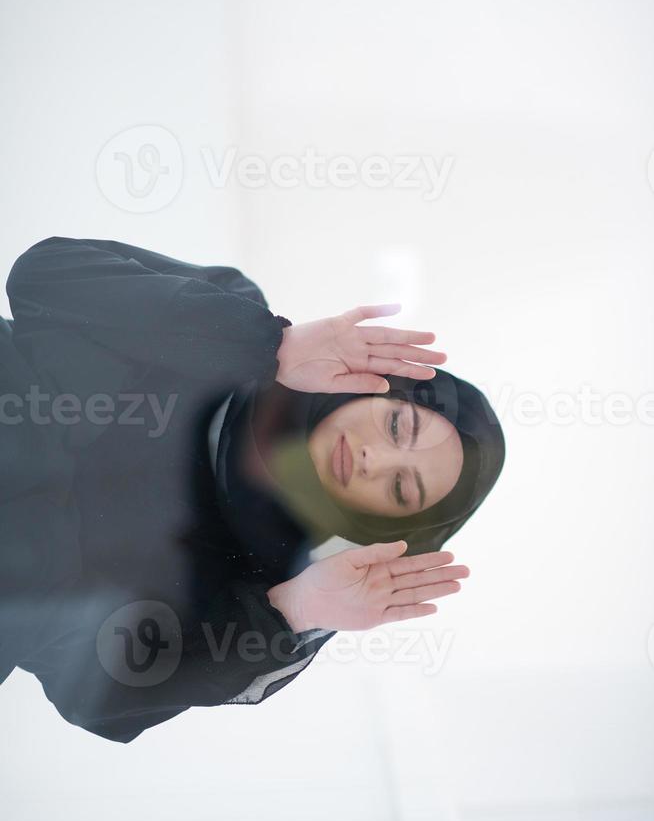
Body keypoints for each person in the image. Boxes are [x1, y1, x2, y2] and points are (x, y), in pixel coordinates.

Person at [0, 237, 505, 743]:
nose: (376, 459)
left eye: (400, 487)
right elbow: (48, 275)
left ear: (383, 521)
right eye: (398, 428)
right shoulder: (237, 315)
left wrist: (292, 613)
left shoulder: (267, 592)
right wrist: (267, 349)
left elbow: (97, 696)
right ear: (384, 385)